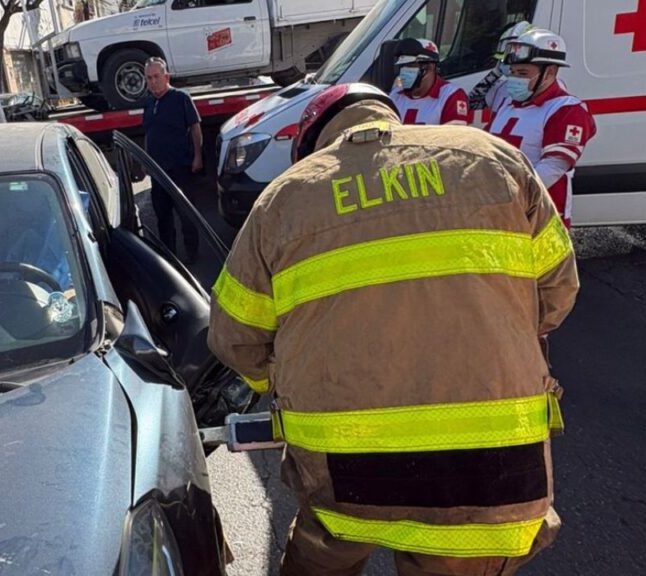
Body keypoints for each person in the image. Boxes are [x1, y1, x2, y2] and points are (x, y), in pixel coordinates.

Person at [208, 82, 579, 576]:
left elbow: (234, 335)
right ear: (391, 116)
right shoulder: (494, 160)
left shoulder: (285, 199)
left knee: (324, 551)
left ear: (316, 141)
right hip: (491, 471)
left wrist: (281, 381)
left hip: (346, 468)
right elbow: (557, 294)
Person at [487, 29, 596, 226]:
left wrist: (510, 197)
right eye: (512, 72)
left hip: (540, 218)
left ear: (550, 72)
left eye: (523, 73)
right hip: (501, 212)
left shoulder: (567, 109)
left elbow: (554, 166)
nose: (514, 79)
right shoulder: (507, 103)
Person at [142, 56, 203, 263]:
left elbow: (195, 127)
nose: (152, 81)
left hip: (181, 167)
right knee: (163, 216)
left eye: (156, 77)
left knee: (187, 215)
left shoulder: (181, 98)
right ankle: (170, 258)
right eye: (148, 78)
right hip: (158, 170)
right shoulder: (149, 102)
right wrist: (145, 158)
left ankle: (192, 255)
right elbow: (149, 132)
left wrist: (197, 156)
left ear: (166, 76)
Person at [389, 38, 470, 126]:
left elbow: (455, 136)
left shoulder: (451, 96)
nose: (404, 71)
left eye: (411, 65)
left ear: (429, 67)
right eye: (403, 66)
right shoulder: (395, 95)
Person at [469, 21, 536, 113]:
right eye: (504, 61)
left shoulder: (549, 97)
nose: (509, 66)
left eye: (512, 61)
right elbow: (471, 103)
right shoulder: (501, 87)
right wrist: (496, 73)